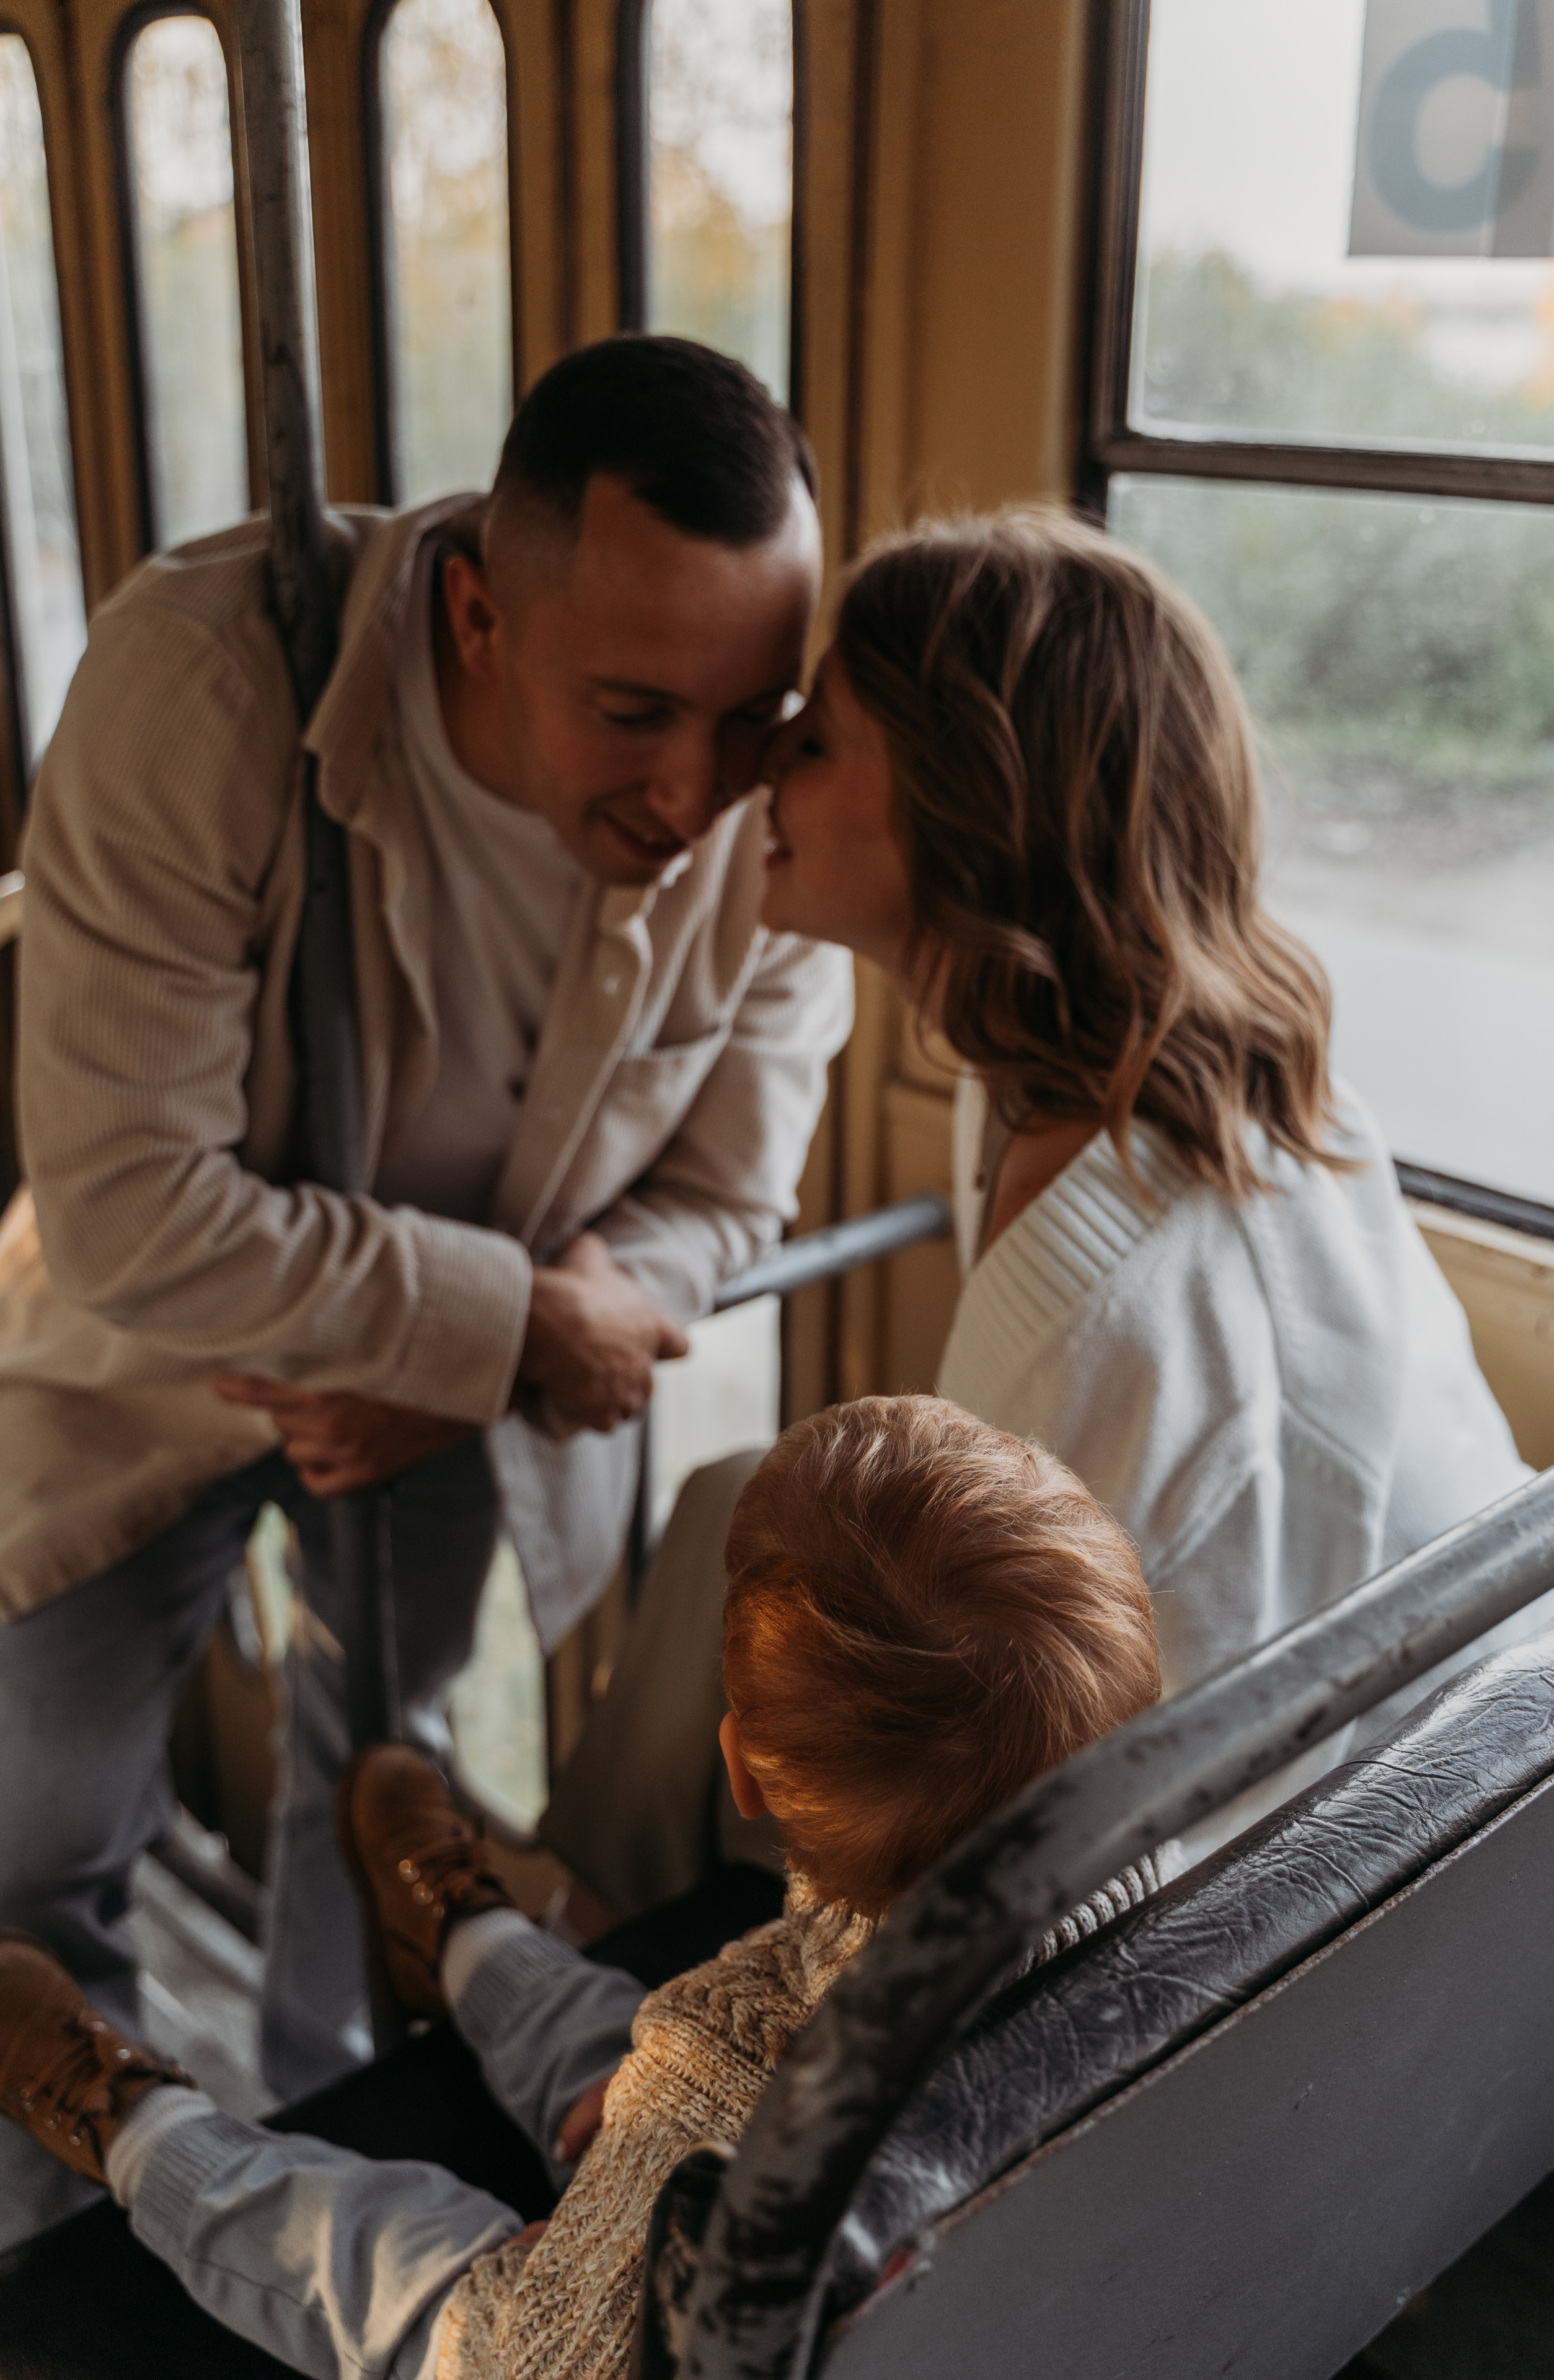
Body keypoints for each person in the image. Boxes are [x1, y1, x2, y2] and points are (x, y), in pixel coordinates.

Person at [0, 334, 854, 2265]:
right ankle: (40, 2289)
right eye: (634, 713)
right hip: (134, 1373)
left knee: (378, 1813)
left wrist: (486, 1356)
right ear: (474, 611)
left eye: (752, 717)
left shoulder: (750, 789)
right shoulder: (205, 680)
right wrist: (505, 1330)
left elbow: (723, 1194)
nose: (701, 794)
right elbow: (130, 1211)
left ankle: (306, 2177)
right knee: (19, 1872)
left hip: (455, 1399)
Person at [557, 504, 1540, 1908]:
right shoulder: (1095, 1077)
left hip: (1367, 1861)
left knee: (770, 1605)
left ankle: (557, 1953)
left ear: (961, 816)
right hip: (1400, 1721)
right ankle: (580, 1899)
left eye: (817, 738)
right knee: (734, 1499)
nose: (760, 761)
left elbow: (1075, 1831)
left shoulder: (1126, 1316)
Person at [0, 1394, 1166, 2380]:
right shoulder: (1149, 1899)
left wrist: (596, 2255)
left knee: (383, 2249)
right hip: (855, 2132)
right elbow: (735, 2050)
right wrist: (641, 2144)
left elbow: (550, 2356)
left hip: (579, 2325)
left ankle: (128, 2118)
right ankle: (465, 1933)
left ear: (742, 1771)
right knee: (627, 2051)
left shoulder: (721, 2096)